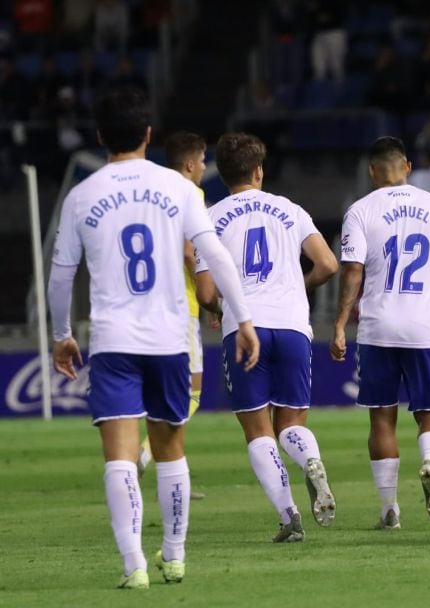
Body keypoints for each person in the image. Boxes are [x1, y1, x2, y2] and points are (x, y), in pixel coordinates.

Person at [48, 87, 259, 589]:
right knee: (170, 449)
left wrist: (60, 335)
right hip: (169, 338)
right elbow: (217, 257)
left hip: (115, 340)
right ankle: (175, 555)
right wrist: (243, 318)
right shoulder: (180, 188)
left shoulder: (82, 195)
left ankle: (133, 566)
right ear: (147, 134)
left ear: (100, 137)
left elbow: (60, 275)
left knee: (120, 455)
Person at [195, 132, 339, 542]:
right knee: (291, 422)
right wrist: (298, 286)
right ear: (259, 170)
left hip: (245, 329)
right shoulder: (289, 209)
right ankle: (310, 458)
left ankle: (289, 517)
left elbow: (206, 294)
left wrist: (225, 309)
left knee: (258, 430)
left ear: (221, 176)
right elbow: (327, 264)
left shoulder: (211, 218)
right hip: (293, 325)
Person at [331, 137, 430, 530]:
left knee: (382, 420)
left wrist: (339, 324)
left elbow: (352, 271)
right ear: (407, 166)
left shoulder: (359, 210)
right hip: (423, 327)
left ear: (373, 172)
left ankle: (389, 509)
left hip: (376, 327)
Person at [137, 132, 207, 502]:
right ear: (191, 164)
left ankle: (173, 463)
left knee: (165, 389)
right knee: (191, 391)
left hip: (149, 304)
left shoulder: (152, 195)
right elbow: (189, 251)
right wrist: (211, 294)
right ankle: (147, 454)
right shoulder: (190, 194)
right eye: (203, 161)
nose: (206, 167)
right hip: (183, 308)